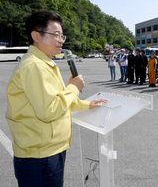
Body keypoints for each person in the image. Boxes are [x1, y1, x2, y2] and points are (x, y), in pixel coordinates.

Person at [5, 11, 108, 187]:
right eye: (56, 35)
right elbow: (49, 110)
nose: (61, 40)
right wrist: (74, 87)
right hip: (39, 156)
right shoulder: (34, 66)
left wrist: (86, 104)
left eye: (62, 35)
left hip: (48, 150)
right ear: (36, 36)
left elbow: (58, 98)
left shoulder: (44, 63)